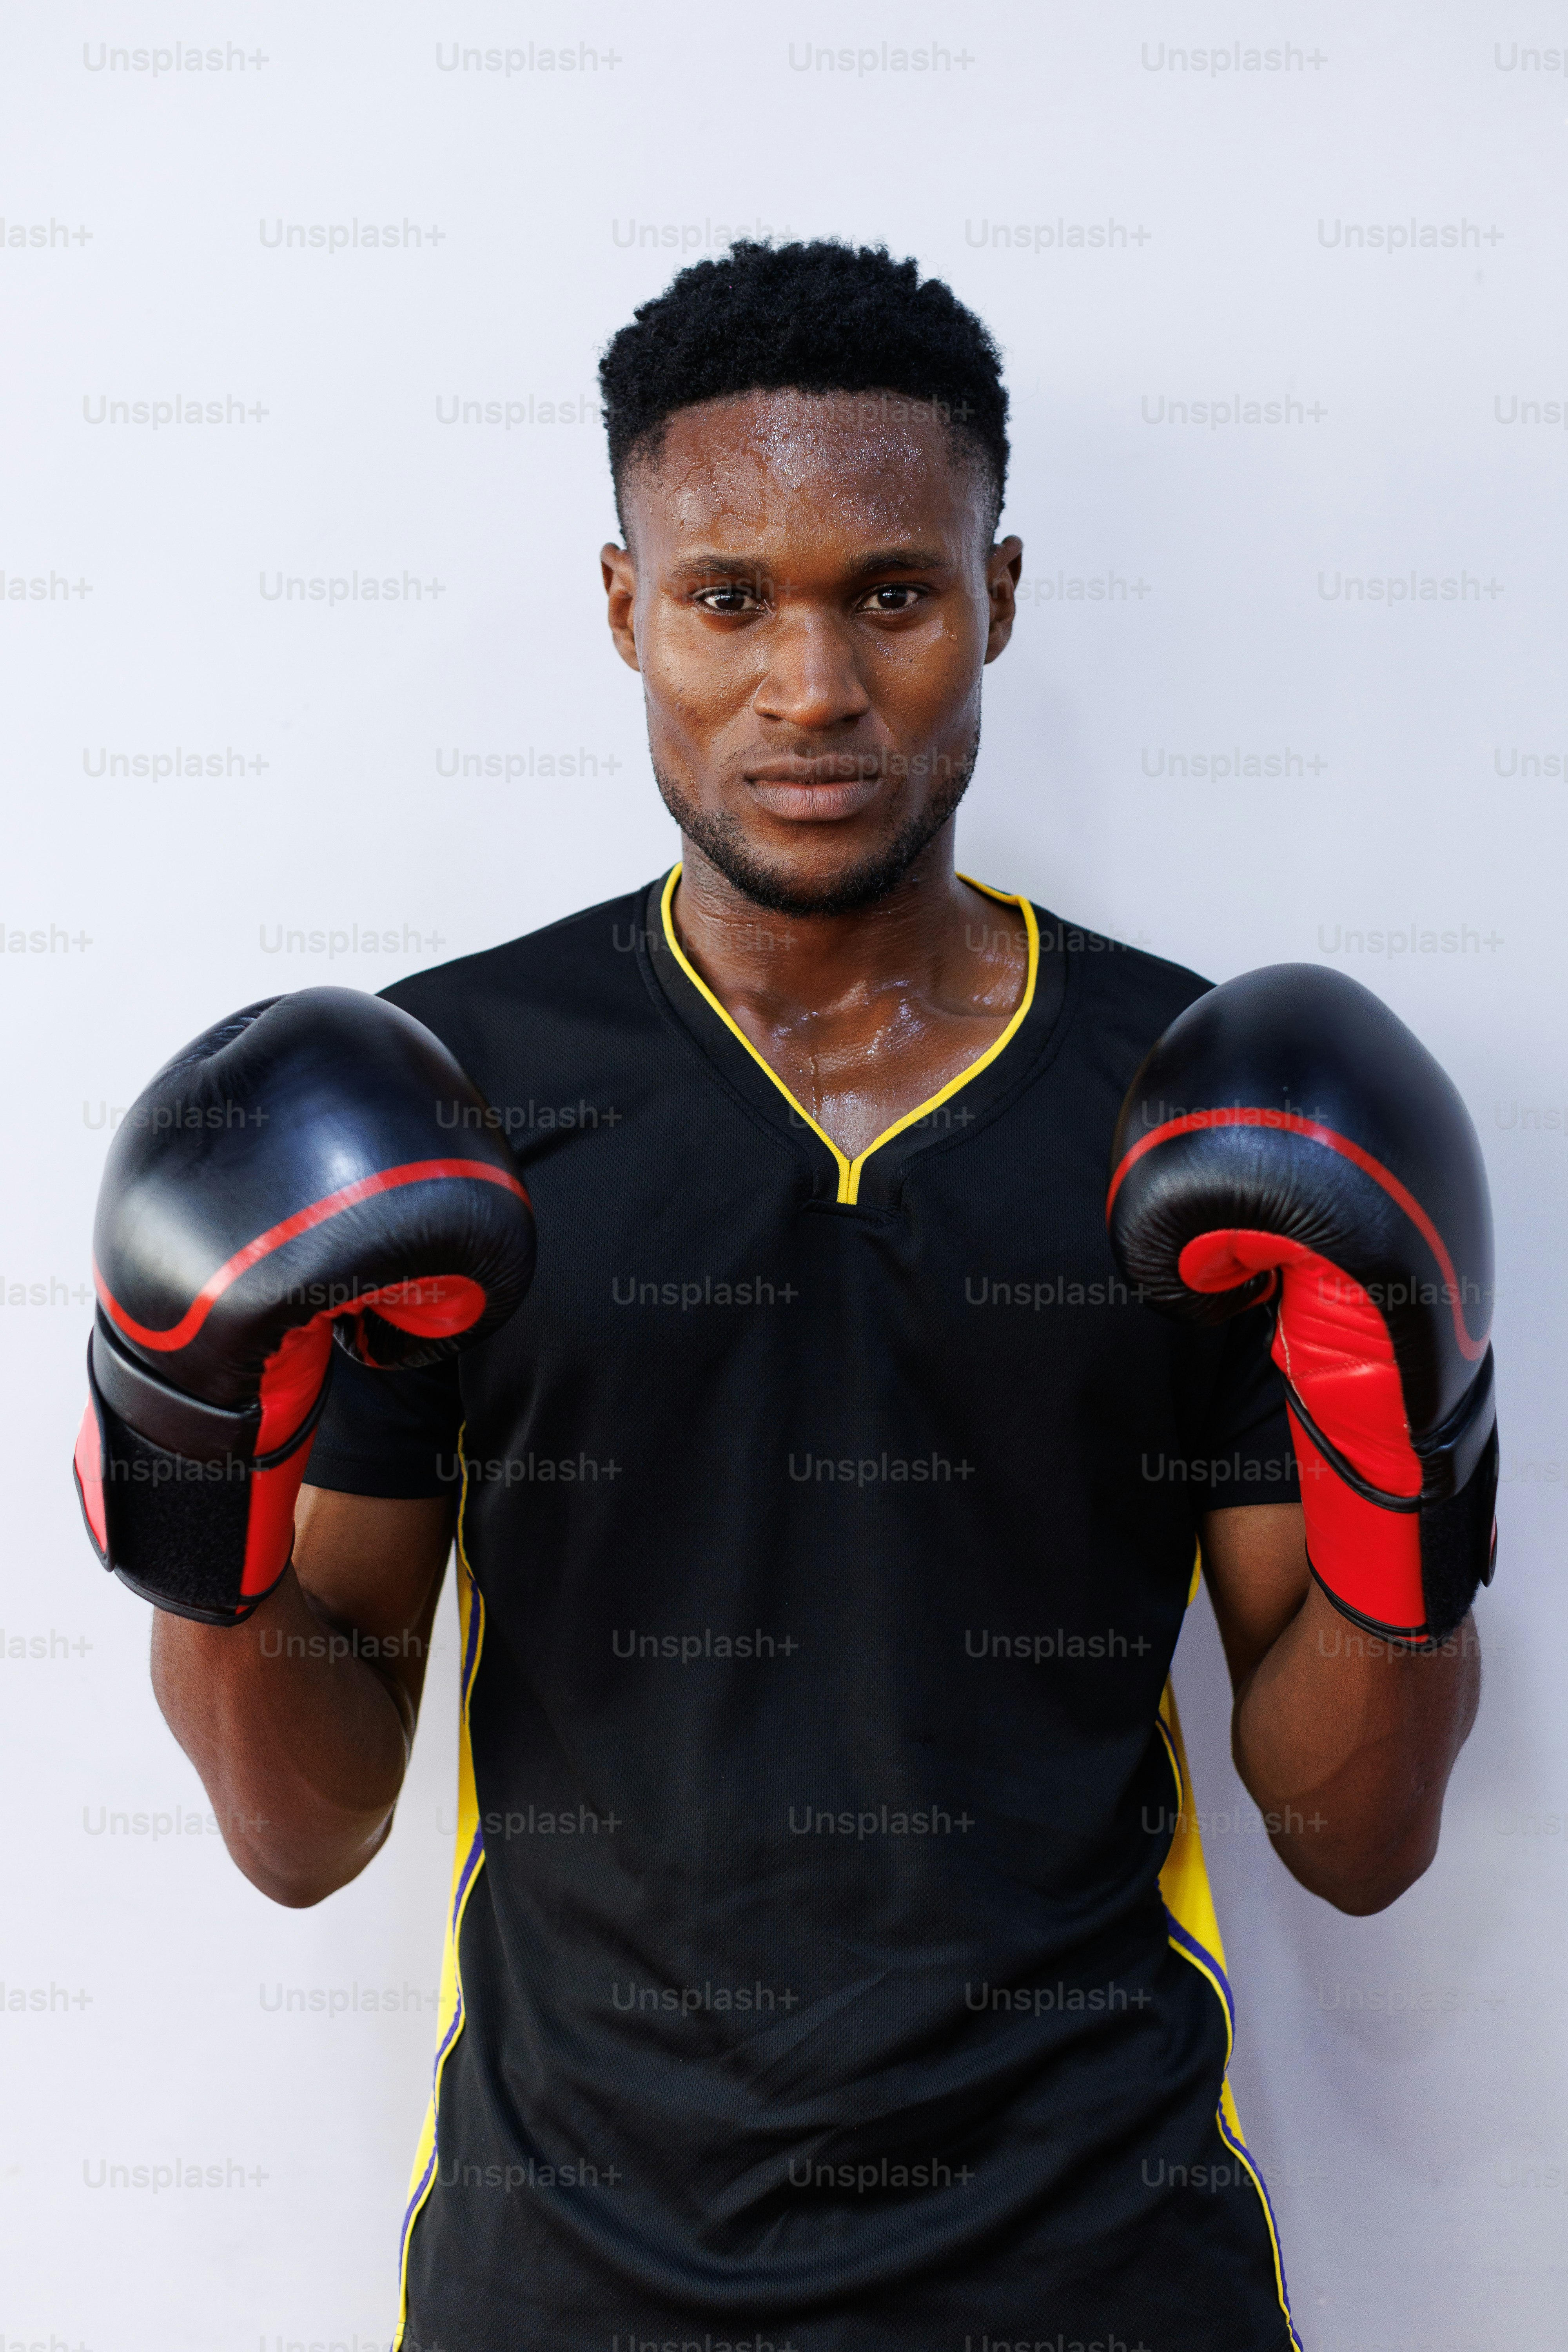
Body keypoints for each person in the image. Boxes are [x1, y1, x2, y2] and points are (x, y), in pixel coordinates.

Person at [123, 242, 1490, 2352]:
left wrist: (1415, 1473)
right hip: (571, 2273)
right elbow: (303, 1835)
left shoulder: (1188, 1103)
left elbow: (1358, 1839)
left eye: (892, 593)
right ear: (624, 609)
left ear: (998, 598)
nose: (812, 687)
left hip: (1103, 2264)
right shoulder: (441, 1108)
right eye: (728, 597)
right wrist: (190, 1469)